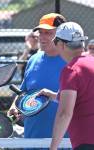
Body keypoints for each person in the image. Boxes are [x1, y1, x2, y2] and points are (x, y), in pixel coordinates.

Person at [8, 13, 67, 148]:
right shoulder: (33, 59)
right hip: (32, 139)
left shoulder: (71, 62)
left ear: (61, 35)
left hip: (64, 142)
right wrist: (14, 107)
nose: (42, 37)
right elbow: (23, 92)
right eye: (41, 33)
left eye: (48, 33)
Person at [38, 22, 94, 150]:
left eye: (56, 41)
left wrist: (53, 147)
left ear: (62, 44)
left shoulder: (71, 70)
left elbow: (64, 113)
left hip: (86, 142)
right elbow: (85, 97)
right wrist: (54, 96)